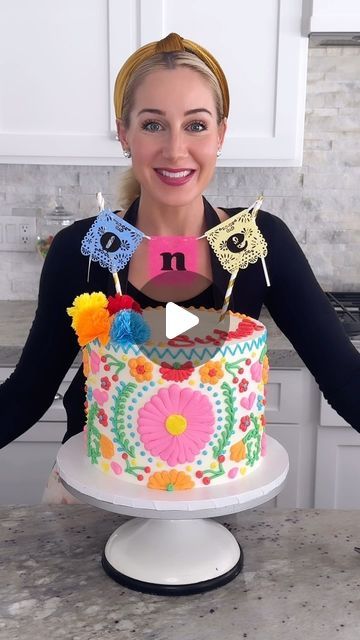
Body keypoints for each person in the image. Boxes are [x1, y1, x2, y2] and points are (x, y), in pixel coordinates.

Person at [1, 33, 360, 503]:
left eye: (195, 125)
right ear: (124, 133)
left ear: (221, 135)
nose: (174, 150)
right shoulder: (85, 249)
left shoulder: (254, 243)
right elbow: (27, 393)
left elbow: (347, 381)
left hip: (217, 495)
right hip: (93, 496)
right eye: (153, 125)